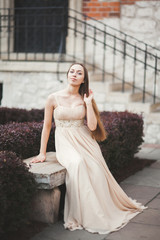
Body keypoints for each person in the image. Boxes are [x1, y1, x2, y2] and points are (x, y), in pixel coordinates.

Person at [31, 63, 147, 234]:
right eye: (72, 71)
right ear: (67, 74)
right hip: (65, 142)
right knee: (77, 164)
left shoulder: (84, 98)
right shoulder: (53, 98)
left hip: (85, 140)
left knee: (95, 167)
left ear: (83, 79)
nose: (74, 75)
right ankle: (83, 213)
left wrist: (89, 102)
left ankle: (100, 208)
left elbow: (92, 127)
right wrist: (42, 153)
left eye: (79, 73)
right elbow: (47, 126)